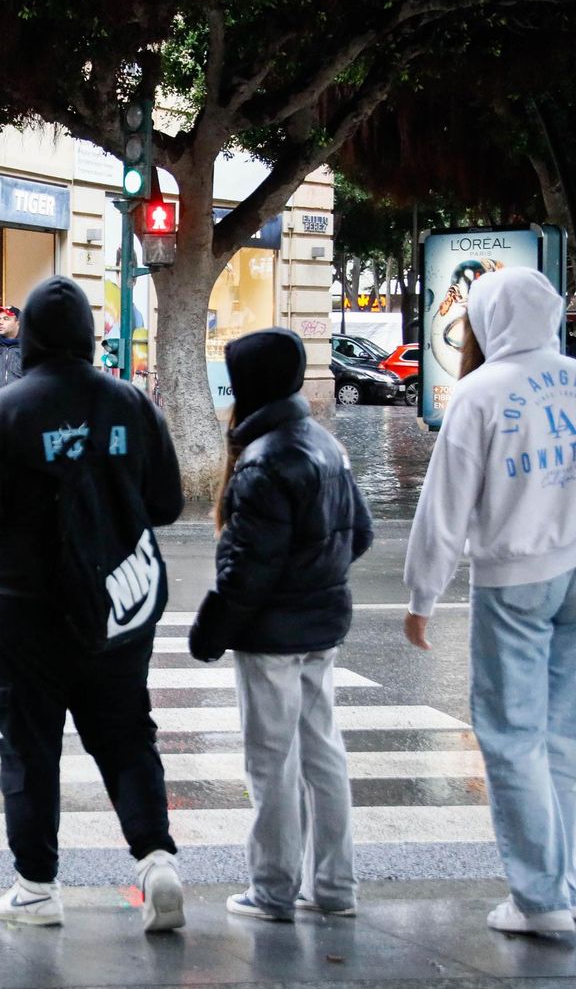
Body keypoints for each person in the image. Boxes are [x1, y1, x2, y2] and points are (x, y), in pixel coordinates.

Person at [402, 267, 576, 935]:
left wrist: (423, 595)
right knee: (562, 736)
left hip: (516, 578)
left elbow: (444, 508)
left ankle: (540, 899)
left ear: (486, 322)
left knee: (511, 738)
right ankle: (563, 886)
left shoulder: (478, 393)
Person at [0, 275, 187, 933]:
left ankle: (36, 887)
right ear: (86, 334)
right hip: (116, 603)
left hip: (25, 609)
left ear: (28, 335)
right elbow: (168, 503)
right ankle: (156, 861)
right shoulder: (132, 404)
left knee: (29, 746)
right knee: (126, 734)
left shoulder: (3, 410)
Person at [188, 327, 373, 924]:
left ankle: (272, 890)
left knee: (271, 762)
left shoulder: (263, 460)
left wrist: (211, 630)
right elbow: (360, 533)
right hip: (322, 626)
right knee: (323, 753)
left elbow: (248, 570)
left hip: (271, 636)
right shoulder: (325, 444)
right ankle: (335, 886)